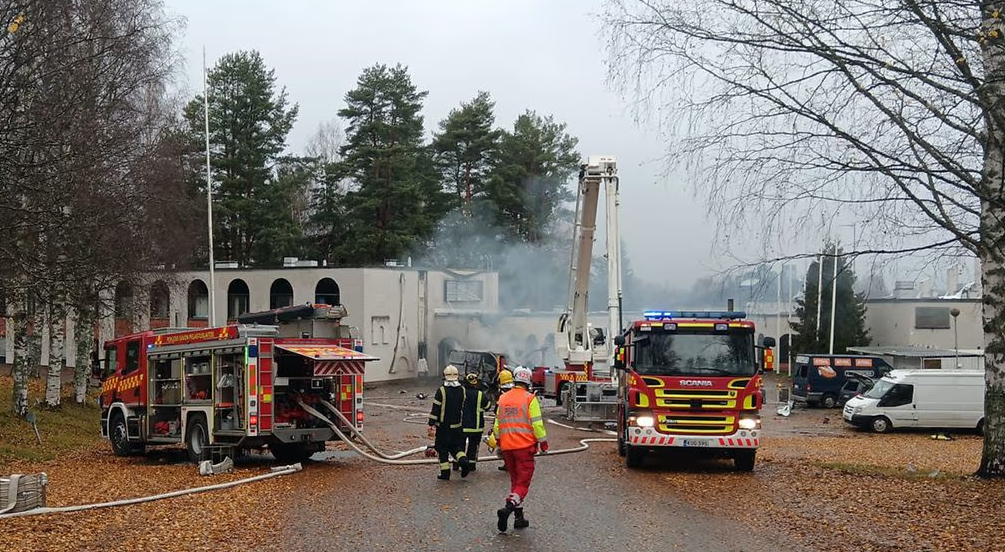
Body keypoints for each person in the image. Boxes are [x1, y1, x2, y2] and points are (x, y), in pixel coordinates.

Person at [492, 366, 548, 532]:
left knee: (515, 482)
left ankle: (519, 518)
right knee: (523, 483)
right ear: (528, 381)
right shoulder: (530, 399)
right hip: (524, 448)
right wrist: (543, 443)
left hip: (507, 448)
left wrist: (499, 442)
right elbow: (537, 424)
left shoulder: (502, 399)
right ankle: (508, 508)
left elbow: (497, 426)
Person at [427, 365, 469, 480]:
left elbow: (436, 409)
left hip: (443, 428)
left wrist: (431, 423)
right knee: (457, 448)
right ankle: (464, 461)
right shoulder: (462, 389)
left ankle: (445, 474)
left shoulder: (441, 391)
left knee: (442, 449)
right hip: (457, 427)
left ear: (445, 376)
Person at [459, 372, 492, 473]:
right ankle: (471, 466)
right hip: (476, 427)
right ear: (475, 383)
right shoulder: (480, 394)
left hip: (462, 426)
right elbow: (487, 407)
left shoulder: (460, 392)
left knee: (460, 446)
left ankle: (458, 464)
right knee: (473, 446)